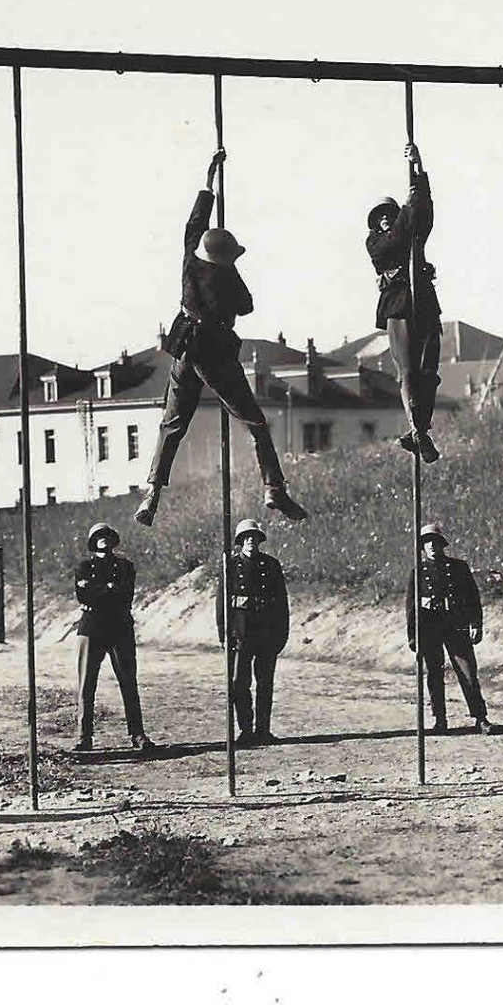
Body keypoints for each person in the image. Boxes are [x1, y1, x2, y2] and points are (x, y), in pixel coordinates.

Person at [136, 147, 308, 527]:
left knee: (172, 424)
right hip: (212, 355)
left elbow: (197, 218)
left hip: (183, 349)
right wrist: (234, 272)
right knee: (256, 422)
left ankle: (152, 494)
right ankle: (274, 488)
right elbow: (246, 307)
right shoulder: (222, 279)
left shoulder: (189, 254)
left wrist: (209, 179)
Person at [367, 142, 443, 464]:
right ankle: (417, 430)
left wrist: (419, 169)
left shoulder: (411, 230)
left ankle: (420, 432)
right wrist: (408, 208)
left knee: (429, 370)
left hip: (424, 302)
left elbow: (424, 212)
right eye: (381, 217)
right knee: (408, 373)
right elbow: (399, 236)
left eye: (390, 214)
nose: (385, 220)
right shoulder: (376, 243)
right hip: (397, 306)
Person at [72, 523, 158, 753]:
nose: (103, 540)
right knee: (86, 683)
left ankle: (137, 734)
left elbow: (125, 593)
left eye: (107, 535)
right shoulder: (83, 566)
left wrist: (99, 589)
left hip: (119, 627)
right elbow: (82, 594)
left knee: (129, 682)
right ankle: (84, 736)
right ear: (93, 541)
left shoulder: (125, 566)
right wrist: (109, 588)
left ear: (114, 540)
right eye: (99, 536)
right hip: (91, 627)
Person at [406, 524, 495, 735]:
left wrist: (476, 623)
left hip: (455, 623)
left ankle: (480, 718)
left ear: (442, 545)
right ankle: (440, 720)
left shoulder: (458, 567)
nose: (431, 546)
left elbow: (473, 598)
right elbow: (411, 606)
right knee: (434, 674)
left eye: (435, 542)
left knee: (467, 672)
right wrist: (413, 636)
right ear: (422, 547)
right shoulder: (417, 572)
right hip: (429, 626)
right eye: (427, 542)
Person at [227, 518, 289, 746]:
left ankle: (263, 729)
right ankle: (245, 729)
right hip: (240, 633)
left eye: (254, 536)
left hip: (266, 632)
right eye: (246, 537)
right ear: (240, 541)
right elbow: (222, 605)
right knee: (239, 684)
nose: (250, 540)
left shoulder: (271, 565)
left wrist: (282, 634)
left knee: (265, 683)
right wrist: (225, 633)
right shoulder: (230, 566)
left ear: (260, 540)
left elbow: (281, 602)